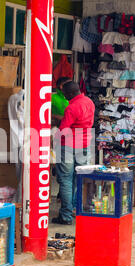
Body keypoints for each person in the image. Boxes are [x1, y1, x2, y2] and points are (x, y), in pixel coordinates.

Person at [52, 81, 95, 225]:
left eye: (65, 94)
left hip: (68, 146)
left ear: (70, 94)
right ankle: (78, 209)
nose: (64, 97)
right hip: (84, 145)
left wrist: (54, 141)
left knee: (65, 180)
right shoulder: (89, 102)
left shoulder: (71, 107)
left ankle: (66, 216)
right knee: (80, 179)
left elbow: (64, 129)